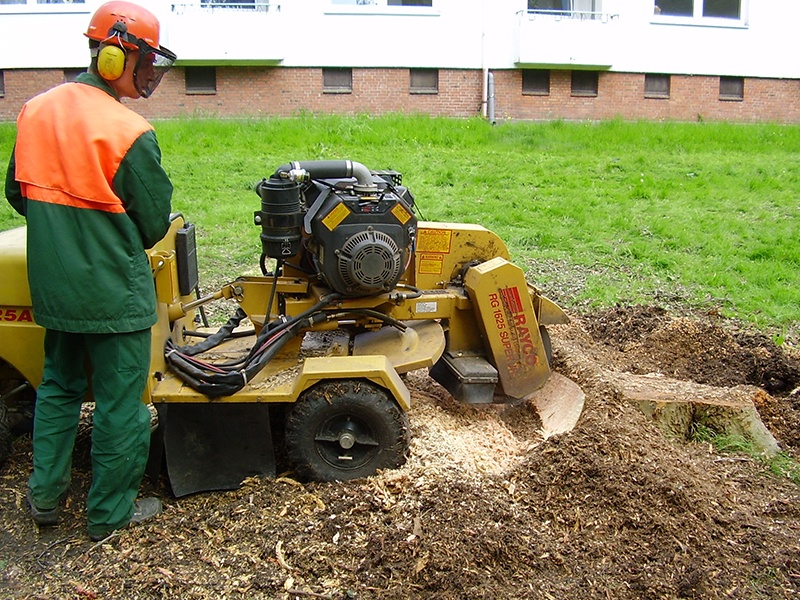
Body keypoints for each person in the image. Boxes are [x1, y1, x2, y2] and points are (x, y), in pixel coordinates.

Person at [4, 1, 177, 541]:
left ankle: (46, 499)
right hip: (112, 292)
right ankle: (108, 515)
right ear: (111, 56)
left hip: (55, 288)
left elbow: (18, 193)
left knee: (57, 388)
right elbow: (152, 221)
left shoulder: (35, 110)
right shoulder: (127, 130)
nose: (149, 73)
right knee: (120, 404)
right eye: (143, 60)